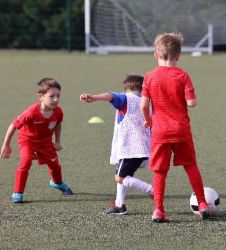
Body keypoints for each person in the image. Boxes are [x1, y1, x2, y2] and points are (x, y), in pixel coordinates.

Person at [140, 32, 211, 222]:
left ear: (156, 55)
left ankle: (159, 210)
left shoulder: (149, 77)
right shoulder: (182, 75)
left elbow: (143, 105)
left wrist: (148, 119)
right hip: (181, 129)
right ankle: (203, 204)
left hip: (160, 131)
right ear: (178, 56)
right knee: (190, 166)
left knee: (160, 171)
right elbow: (192, 103)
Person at [80, 74, 153, 215]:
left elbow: (111, 96)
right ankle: (120, 205)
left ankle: (152, 191)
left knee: (120, 178)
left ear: (127, 89)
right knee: (123, 175)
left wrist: (94, 98)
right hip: (142, 147)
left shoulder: (127, 98)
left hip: (130, 148)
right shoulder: (147, 104)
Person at [1, 78, 73, 203]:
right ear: (41, 96)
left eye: (58, 96)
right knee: (26, 162)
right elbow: (13, 125)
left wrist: (57, 141)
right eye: (52, 96)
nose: (56, 99)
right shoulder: (31, 112)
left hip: (45, 142)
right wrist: (6, 144)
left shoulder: (58, 112)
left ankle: (57, 183)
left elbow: (57, 124)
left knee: (54, 164)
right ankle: (17, 193)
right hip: (27, 140)